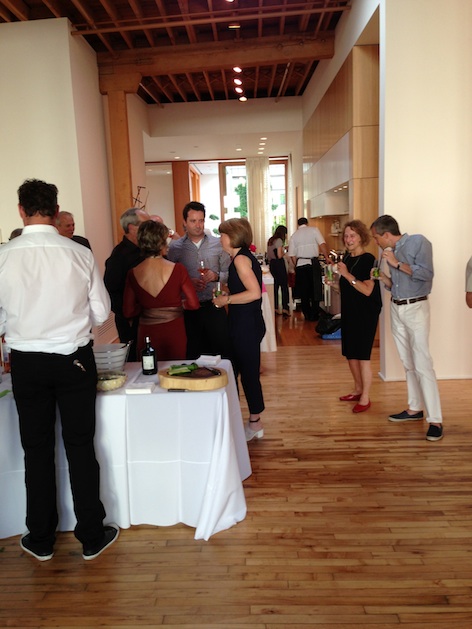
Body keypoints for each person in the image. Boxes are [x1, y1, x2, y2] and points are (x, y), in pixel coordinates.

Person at [0, 178, 118, 561]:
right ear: (54, 210)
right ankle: (89, 534)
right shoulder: (78, 253)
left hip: (26, 363)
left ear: (21, 210)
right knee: (80, 445)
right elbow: (102, 312)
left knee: (36, 449)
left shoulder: (4, 255)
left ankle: (40, 538)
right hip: (74, 359)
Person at [371, 215, 443, 442]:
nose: (376, 243)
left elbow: (426, 274)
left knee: (422, 363)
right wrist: (384, 276)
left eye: (376, 238)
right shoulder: (388, 253)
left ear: (386, 235)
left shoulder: (419, 242)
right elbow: (397, 284)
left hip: (416, 308)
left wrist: (396, 263)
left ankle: (435, 420)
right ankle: (414, 409)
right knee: (407, 362)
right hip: (397, 306)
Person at [213, 218, 266, 442]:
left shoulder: (240, 259)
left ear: (233, 236)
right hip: (244, 321)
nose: (220, 238)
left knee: (248, 373)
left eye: (223, 234)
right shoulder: (239, 257)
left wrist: (227, 300)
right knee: (238, 370)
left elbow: (254, 293)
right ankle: (241, 420)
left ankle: (254, 422)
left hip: (245, 323)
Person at [123, 220, 199, 360]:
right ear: (161, 242)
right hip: (174, 329)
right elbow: (194, 304)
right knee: (176, 373)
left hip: (147, 331)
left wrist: (148, 309)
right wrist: (177, 306)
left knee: (149, 374)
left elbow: (128, 311)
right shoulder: (178, 269)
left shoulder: (133, 273)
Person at [167, 201, 231, 359]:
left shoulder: (218, 244)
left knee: (221, 352)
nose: (198, 225)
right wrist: (186, 284)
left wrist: (216, 276)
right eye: (193, 221)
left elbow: (228, 273)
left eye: (201, 220)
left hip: (214, 305)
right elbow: (169, 279)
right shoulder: (175, 249)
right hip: (188, 309)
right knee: (193, 353)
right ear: (184, 222)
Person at [335, 220, 382, 413]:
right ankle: (357, 388)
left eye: (352, 235)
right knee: (350, 353)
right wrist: (334, 284)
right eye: (346, 236)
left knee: (362, 355)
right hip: (350, 310)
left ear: (362, 237)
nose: (348, 239)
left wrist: (346, 275)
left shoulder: (369, 259)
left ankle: (365, 397)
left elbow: (368, 290)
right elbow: (348, 288)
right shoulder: (347, 259)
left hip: (365, 312)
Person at [104, 207, 150, 361]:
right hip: (131, 320)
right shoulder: (119, 256)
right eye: (145, 224)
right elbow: (111, 290)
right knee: (135, 360)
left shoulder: (145, 250)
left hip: (148, 317)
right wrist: (128, 315)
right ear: (132, 228)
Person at [288, 217, 331, 321]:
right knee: (315, 289)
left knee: (304, 291)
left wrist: (296, 264)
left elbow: (292, 255)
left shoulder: (294, 236)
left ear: (298, 224)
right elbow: (322, 244)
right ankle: (315, 314)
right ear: (307, 223)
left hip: (300, 265)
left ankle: (307, 314)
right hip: (313, 263)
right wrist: (327, 257)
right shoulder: (314, 230)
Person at [267, 225, 290, 317]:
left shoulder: (271, 240)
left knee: (275, 286)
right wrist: (285, 251)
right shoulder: (279, 241)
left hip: (272, 264)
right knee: (284, 285)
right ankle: (285, 308)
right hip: (279, 264)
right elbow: (279, 255)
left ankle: (275, 307)